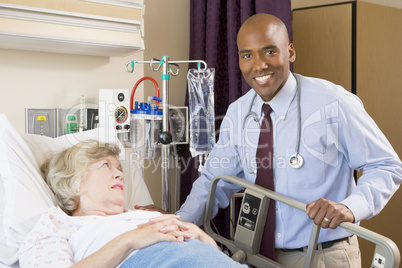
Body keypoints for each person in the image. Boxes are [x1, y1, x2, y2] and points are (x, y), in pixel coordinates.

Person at [175, 13, 402, 267]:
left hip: (322, 255)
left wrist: (350, 207)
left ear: (290, 52)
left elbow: (386, 165)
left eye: (269, 51)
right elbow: (212, 183)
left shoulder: (333, 103)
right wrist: (178, 223)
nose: (258, 65)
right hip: (254, 255)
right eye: (247, 55)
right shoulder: (238, 112)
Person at [19, 140, 247, 268]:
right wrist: (130, 240)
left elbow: (212, 255)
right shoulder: (56, 225)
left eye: (119, 168)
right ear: (74, 181)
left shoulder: (139, 215)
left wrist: (197, 233)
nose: (119, 174)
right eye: (106, 166)